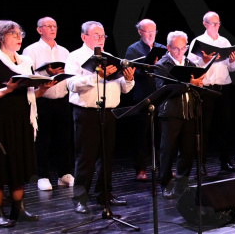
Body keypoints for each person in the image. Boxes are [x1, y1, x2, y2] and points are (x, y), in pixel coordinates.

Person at [0, 21, 53, 226]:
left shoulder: (25, 62)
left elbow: (31, 95)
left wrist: (44, 88)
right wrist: (8, 89)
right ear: (0, 38)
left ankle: (18, 209)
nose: (18, 37)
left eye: (19, 33)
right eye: (13, 34)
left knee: (19, 163)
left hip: (22, 119)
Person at [66, 21, 135, 214]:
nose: (101, 39)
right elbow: (71, 84)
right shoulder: (75, 56)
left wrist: (129, 78)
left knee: (106, 156)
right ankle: (80, 197)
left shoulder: (111, 57)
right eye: (96, 35)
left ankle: (104, 193)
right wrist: (97, 77)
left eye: (103, 36)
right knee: (86, 156)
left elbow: (124, 88)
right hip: (87, 112)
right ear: (84, 37)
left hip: (109, 112)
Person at [22, 17, 74, 192]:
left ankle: (64, 174)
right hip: (42, 99)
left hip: (62, 98)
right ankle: (42, 176)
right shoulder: (31, 50)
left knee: (64, 138)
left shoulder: (64, 51)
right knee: (43, 140)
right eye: (48, 26)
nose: (52, 29)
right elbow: (27, 75)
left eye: (54, 26)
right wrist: (46, 72)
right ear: (39, 30)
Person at [187, 11, 235, 172]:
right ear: (205, 24)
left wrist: (233, 61)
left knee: (225, 127)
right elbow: (190, 65)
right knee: (204, 127)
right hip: (206, 89)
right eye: (213, 23)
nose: (216, 26)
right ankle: (201, 164)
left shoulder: (224, 41)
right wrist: (203, 60)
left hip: (223, 87)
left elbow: (232, 68)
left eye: (218, 23)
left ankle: (225, 162)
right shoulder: (198, 41)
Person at [155, 31, 204, 198]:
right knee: (168, 151)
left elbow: (196, 88)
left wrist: (198, 85)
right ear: (168, 47)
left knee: (187, 150)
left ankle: (182, 183)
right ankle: (166, 184)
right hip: (170, 113)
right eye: (176, 48)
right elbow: (163, 89)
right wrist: (189, 84)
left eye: (183, 48)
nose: (180, 52)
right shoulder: (162, 65)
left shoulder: (190, 63)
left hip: (189, 113)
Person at [125, 19, 166, 181]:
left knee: (162, 134)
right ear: (140, 32)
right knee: (142, 134)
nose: (150, 35)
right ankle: (141, 168)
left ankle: (164, 167)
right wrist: (150, 66)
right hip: (143, 96)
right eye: (147, 31)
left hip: (160, 95)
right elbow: (132, 72)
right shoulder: (133, 49)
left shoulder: (161, 48)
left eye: (153, 31)